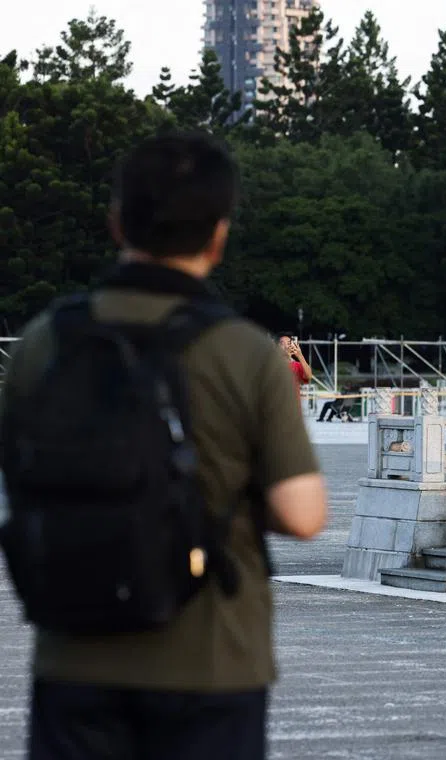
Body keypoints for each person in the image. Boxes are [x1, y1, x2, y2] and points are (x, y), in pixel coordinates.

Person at [0, 133, 328, 759]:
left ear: (116, 221)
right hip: (211, 659)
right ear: (219, 236)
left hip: (74, 652)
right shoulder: (247, 352)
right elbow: (304, 514)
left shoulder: (43, 343)